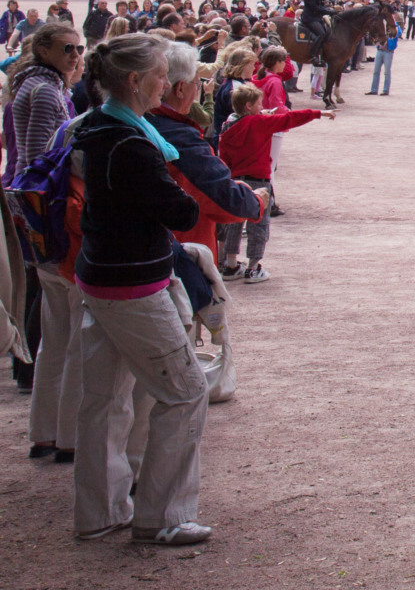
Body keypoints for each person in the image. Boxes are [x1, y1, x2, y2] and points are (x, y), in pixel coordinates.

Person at [71, 33, 211, 545]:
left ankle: (100, 511)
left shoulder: (95, 127)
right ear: (135, 81)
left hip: (101, 275)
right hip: (133, 283)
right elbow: (181, 210)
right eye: (158, 75)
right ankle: (163, 515)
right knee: (185, 393)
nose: (166, 84)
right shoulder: (133, 143)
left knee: (104, 400)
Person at [10, 22, 82, 464]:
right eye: (67, 49)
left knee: (54, 337)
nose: (75, 56)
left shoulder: (37, 84)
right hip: (51, 218)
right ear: (42, 49)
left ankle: (46, 432)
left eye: (79, 49)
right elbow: (40, 161)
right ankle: (68, 435)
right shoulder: (44, 91)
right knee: (70, 335)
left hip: (41, 219)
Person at [146, 41, 266, 270]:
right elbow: (224, 201)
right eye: (197, 83)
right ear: (180, 88)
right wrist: (257, 200)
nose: (199, 89)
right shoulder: (180, 136)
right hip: (179, 257)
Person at [217, 85, 333, 283]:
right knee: (258, 226)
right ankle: (253, 267)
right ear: (248, 105)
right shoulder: (260, 122)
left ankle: (230, 265)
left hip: (235, 179)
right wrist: (317, 113)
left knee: (234, 224)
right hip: (258, 180)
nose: (262, 106)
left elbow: (224, 157)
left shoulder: (227, 127)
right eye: (258, 103)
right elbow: (289, 118)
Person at [367, 18, 400, 96]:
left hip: (388, 51)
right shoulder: (381, 26)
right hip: (380, 50)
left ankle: (385, 90)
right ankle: (373, 89)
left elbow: (398, 32)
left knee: (387, 72)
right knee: (376, 71)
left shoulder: (394, 26)